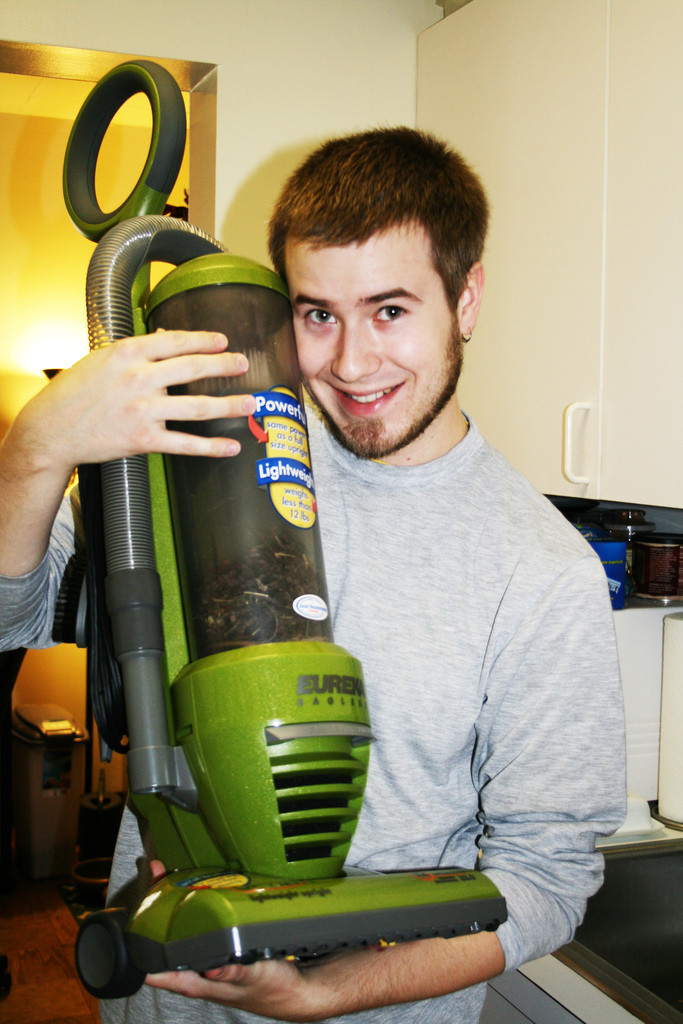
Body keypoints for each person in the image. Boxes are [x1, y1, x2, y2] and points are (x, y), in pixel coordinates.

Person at [0, 127, 626, 1023]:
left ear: (467, 295)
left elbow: (547, 881)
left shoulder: (539, 573)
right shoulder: (208, 455)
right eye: (317, 312)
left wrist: (323, 991)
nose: (350, 363)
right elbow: (7, 618)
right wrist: (38, 446)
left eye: (391, 310)